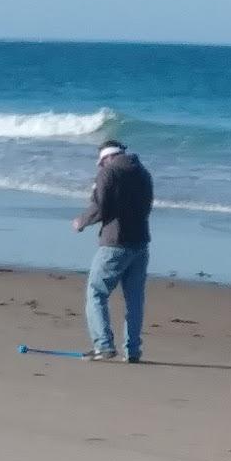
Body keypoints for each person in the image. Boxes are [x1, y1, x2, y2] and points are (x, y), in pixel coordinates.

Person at [73, 139, 154, 362]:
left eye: (100, 162)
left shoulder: (109, 173)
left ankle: (103, 345)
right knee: (134, 299)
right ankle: (133, 350)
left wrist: (82, 221)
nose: (99, 166)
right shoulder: (143, 173)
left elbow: (101, 206)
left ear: (108, 157)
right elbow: (147, 205)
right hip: (140, 242)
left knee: (96, 293)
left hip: (115, 243)